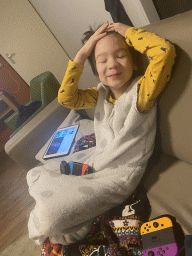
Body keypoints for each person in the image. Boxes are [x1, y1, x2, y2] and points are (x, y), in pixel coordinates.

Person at [56, 21, 177, 255]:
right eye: (102, 60)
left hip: (122, 171)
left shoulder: (141, 92)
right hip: (98, 164)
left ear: (133, 61)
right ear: (96, 70)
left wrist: (127, 32)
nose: (112, 64)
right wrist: (83, 53)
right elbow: (66, 99)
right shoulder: (98, 94)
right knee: (43, 180)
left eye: (121, 56)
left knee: (67, 216)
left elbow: (165, 52)